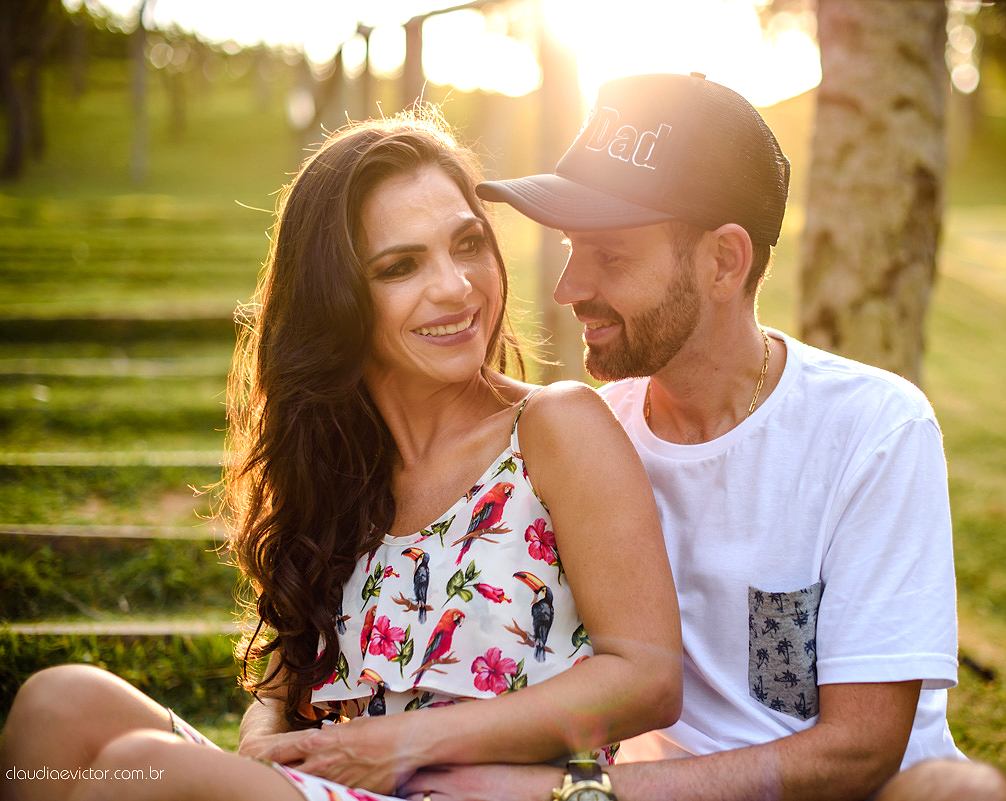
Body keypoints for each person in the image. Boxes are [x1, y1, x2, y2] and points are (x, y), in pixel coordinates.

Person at [0, 109, 682, 801]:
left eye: (468, 243)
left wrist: (407, 743)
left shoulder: (554, 426)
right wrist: (262, 740)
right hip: (350, 786)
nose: (455, 286)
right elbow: (278, 691)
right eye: (401, 266)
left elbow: (648, 678)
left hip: (483, 793)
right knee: (61, 703)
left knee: (143, 769)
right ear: (334, 296)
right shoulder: (337, 467)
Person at [403, 73, 1006, 800]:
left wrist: (583, 794)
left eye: (610, 256)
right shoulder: (587, 439)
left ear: (724, 262)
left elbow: (861, 751)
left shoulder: (873, 429)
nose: (568, 288)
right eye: (572, 248)